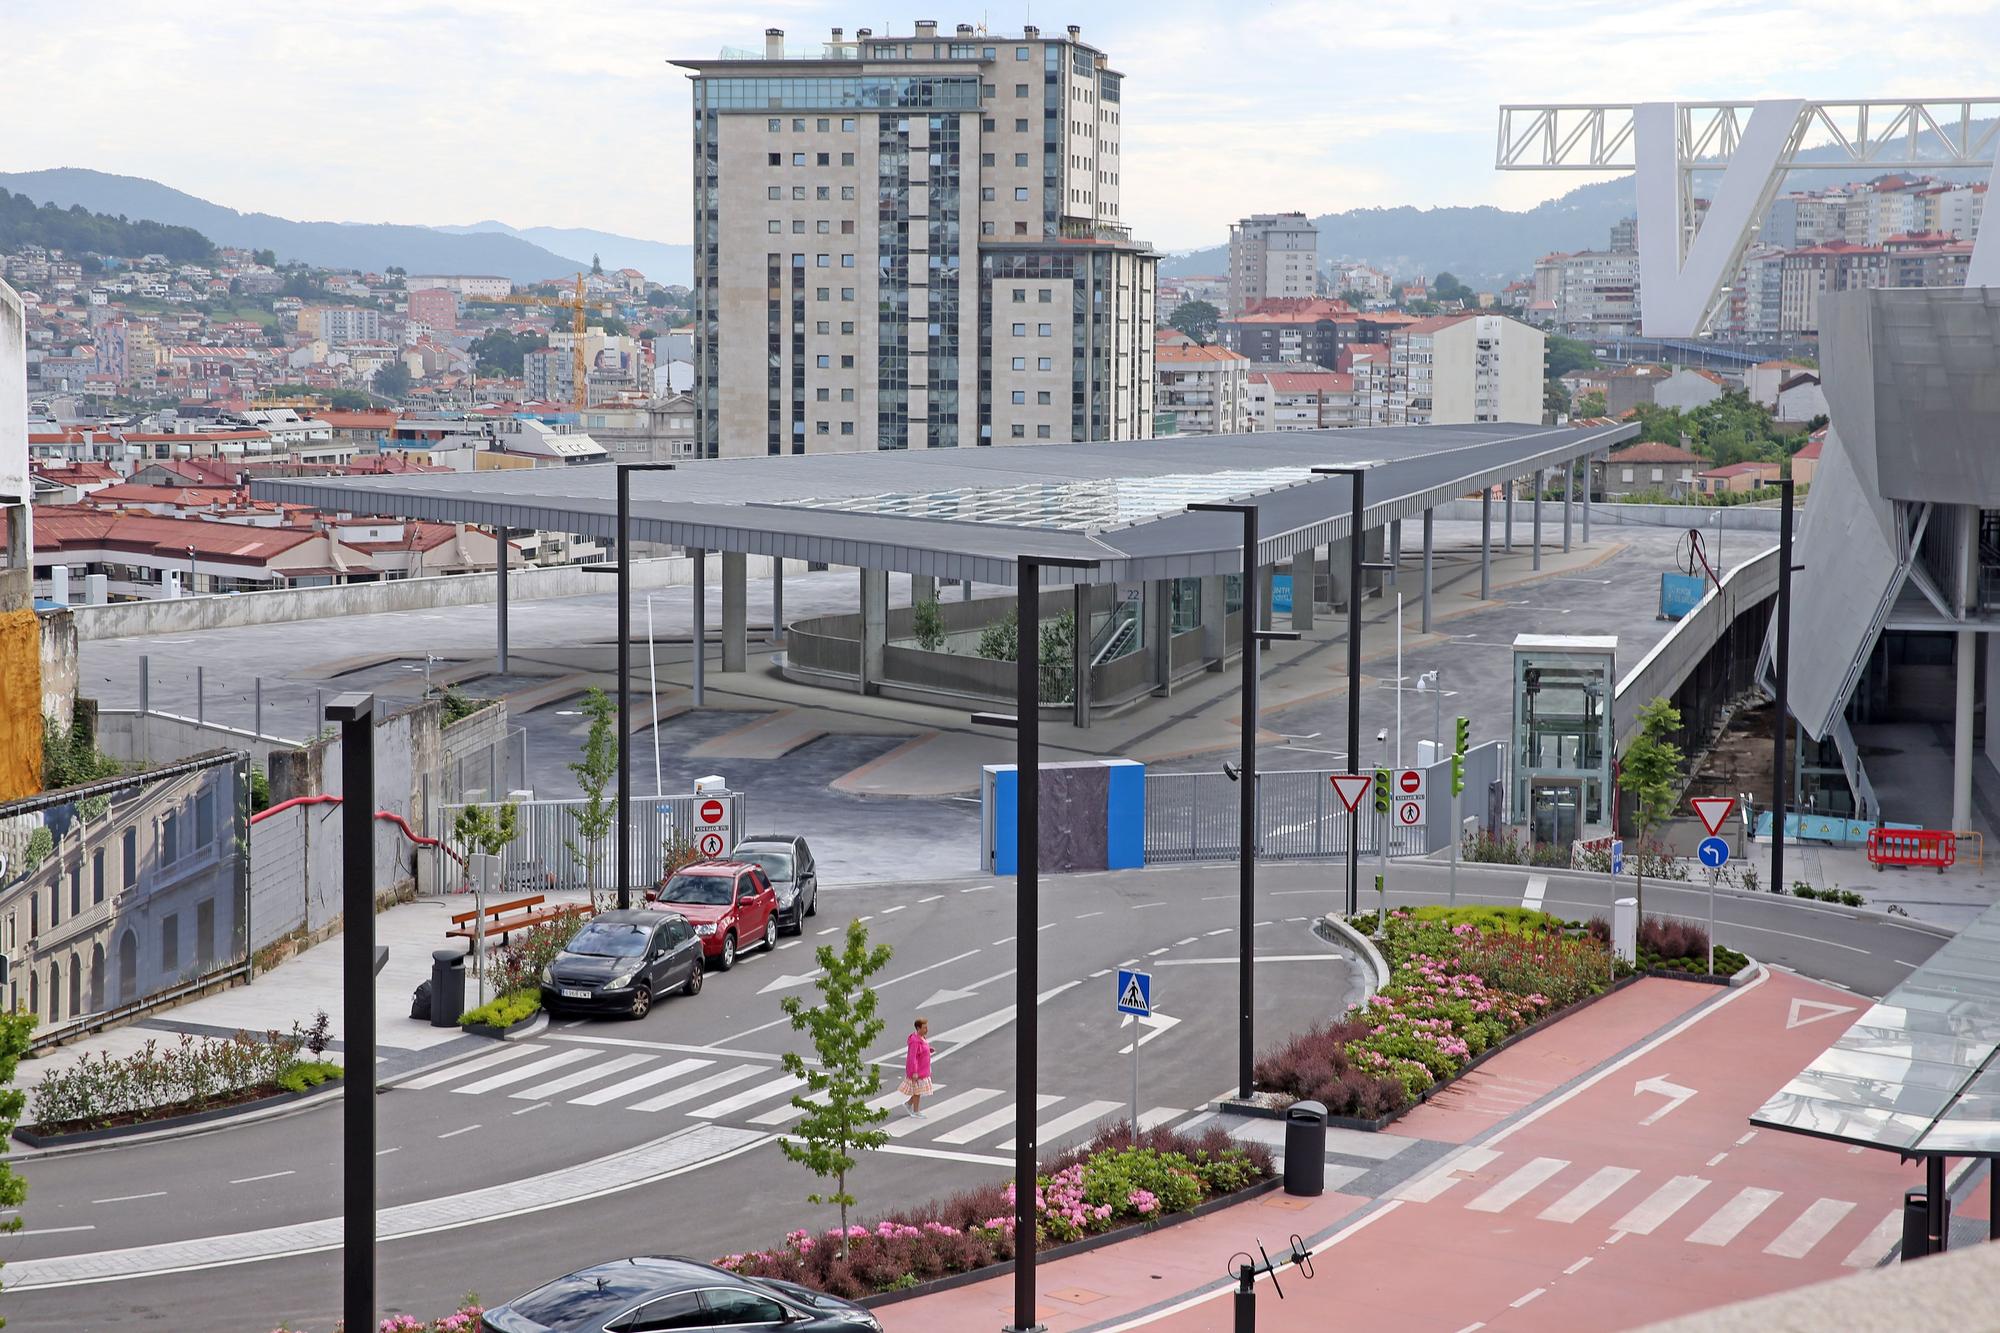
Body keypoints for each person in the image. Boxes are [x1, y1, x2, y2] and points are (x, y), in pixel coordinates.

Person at [898, 1017, 933, 1118]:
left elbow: (921, 1050)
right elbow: (912, 1057)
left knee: (919, 1091)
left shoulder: (921, 1038)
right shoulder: (915, 1041)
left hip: (923, 1070)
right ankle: (915, 1111)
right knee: (917, 1092)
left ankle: (909, 1105)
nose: (927, 1030)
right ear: (918, 1028)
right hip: (918, 1071)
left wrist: (928, 1050)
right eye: (924, 1028)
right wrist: (914, 1072)